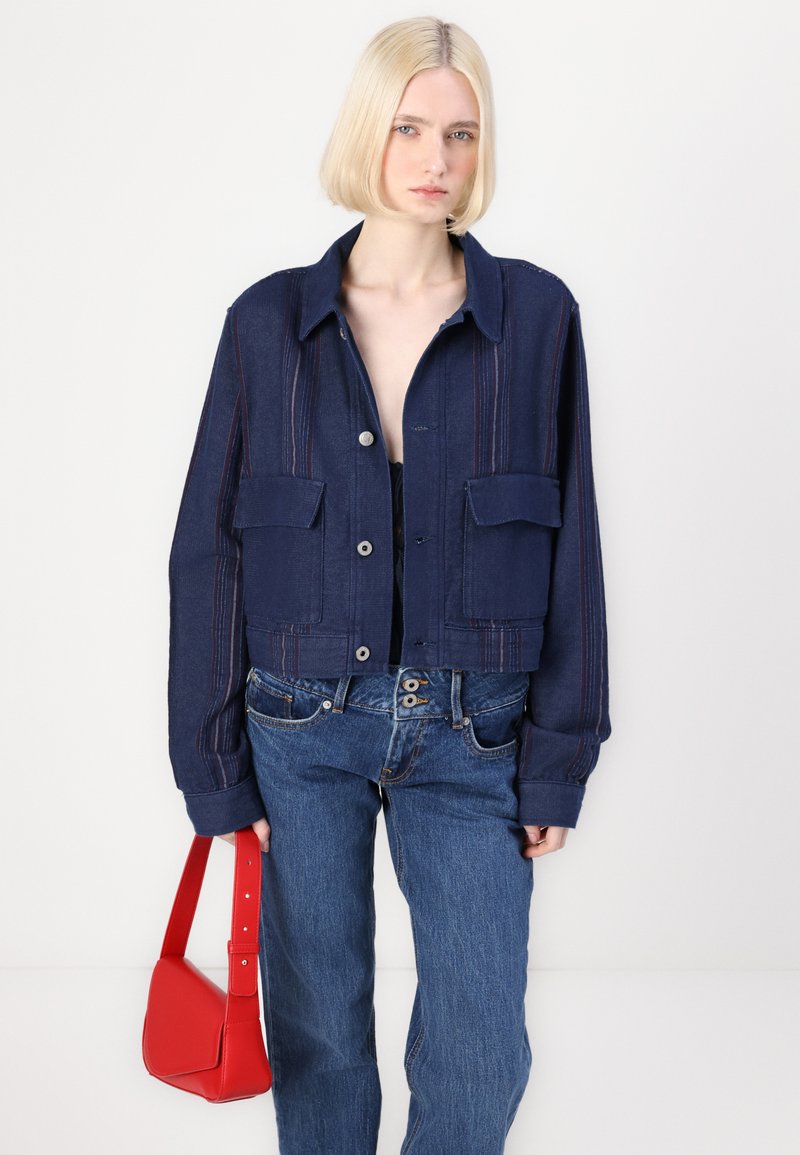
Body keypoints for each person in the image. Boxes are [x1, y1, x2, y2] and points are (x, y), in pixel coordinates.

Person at [167, 16, 611, 1154]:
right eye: (409, 128)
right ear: (365, 130)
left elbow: (575, 547)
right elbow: (208, 552)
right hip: (296, 729)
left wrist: (558, 758)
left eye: (461, 133)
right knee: (317, 1026)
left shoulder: (536, 320)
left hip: (476, 734)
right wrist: (212, 769)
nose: (435, 159)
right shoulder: (267, 324)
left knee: (480, 1041)